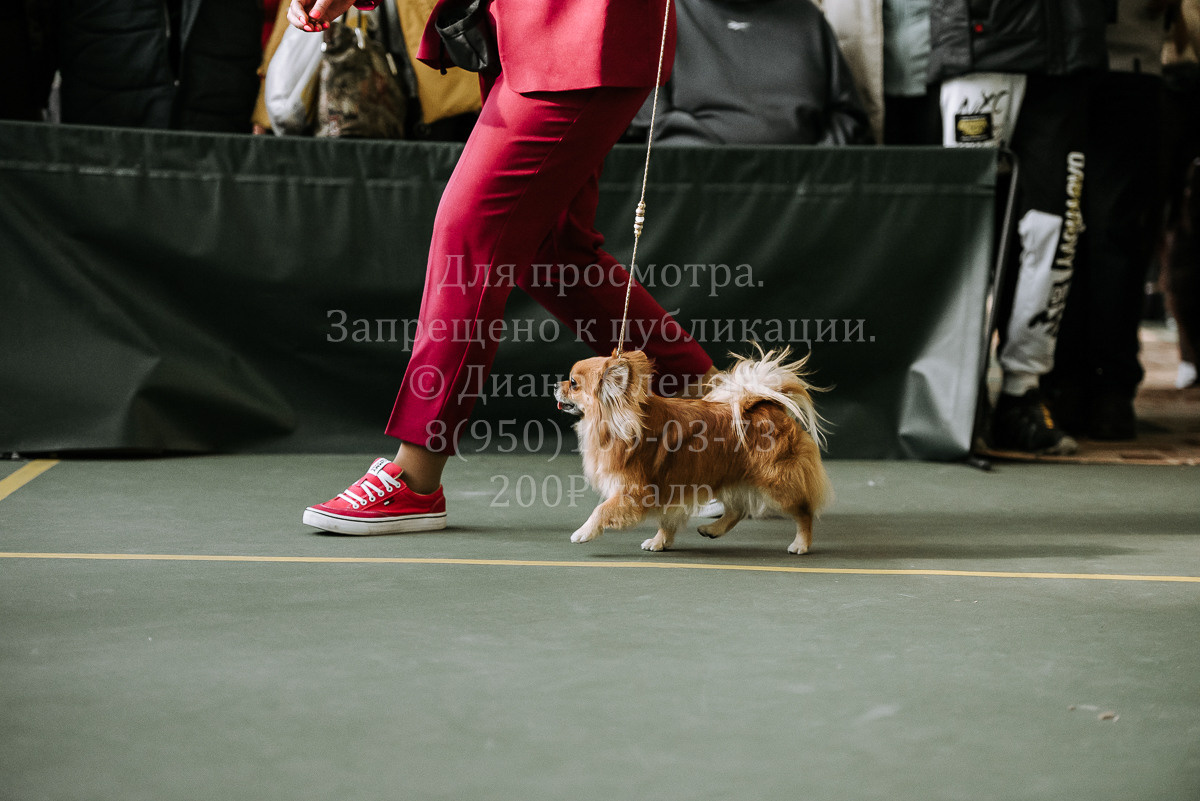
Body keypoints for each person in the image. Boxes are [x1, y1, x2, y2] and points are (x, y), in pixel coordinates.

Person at [290, 0, 718, 534]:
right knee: (552, 252)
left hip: (581, 26)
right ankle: (720, 425)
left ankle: (416, 477)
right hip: (538, 28)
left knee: (470, 230)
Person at [929, 0, 1109, 455]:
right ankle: (960, 394)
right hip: (982, 41)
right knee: (968, 228)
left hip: (1068, 49)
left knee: (1056, 228)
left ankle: (1022, 393)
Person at [1044, 0, 1176, 440]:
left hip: (1124, 63)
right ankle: (1068, 383)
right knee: (1066, 230)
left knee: (1110, 232)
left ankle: (1108, 389)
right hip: (1055, 61)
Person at [624, 0, 873, 146]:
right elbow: (646, 126)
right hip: (698, 194)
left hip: (805, 198)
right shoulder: (658, 17)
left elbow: (848, 117)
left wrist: (810, 169)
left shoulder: (806, 16)